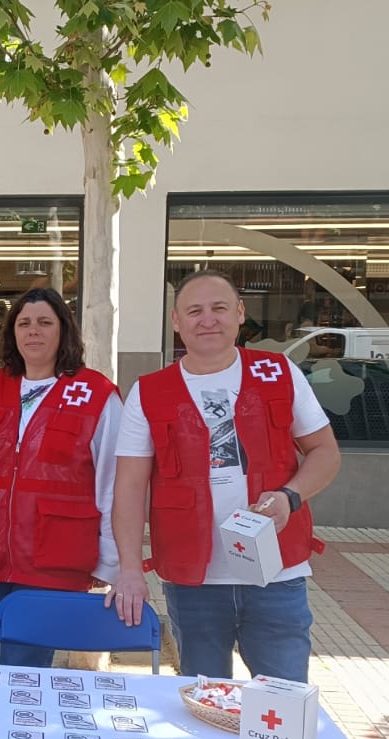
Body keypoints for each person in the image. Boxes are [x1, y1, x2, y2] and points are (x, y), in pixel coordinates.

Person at [110, 270, 341, 684]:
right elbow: (128, 487)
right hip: (193, 579)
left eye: (219, 308)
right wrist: (129, 567)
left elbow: (325, 453)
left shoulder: (279, 372)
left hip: (276, 572)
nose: (208, 319)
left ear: (239, 313)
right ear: (177, 322)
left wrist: (290, 496)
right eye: (194, 311)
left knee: (282, 706)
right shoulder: (149, 392)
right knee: (204, 701)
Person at [0, 288, 121, 668]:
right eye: (24, 323)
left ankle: (20, 726)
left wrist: (111, 560)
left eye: (45, 322)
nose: (33, 331)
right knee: (2, 651)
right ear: (12, 333)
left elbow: (114, 482)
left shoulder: (96, 393)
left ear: (63, 331)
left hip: (56, 555)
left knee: (23, 665)